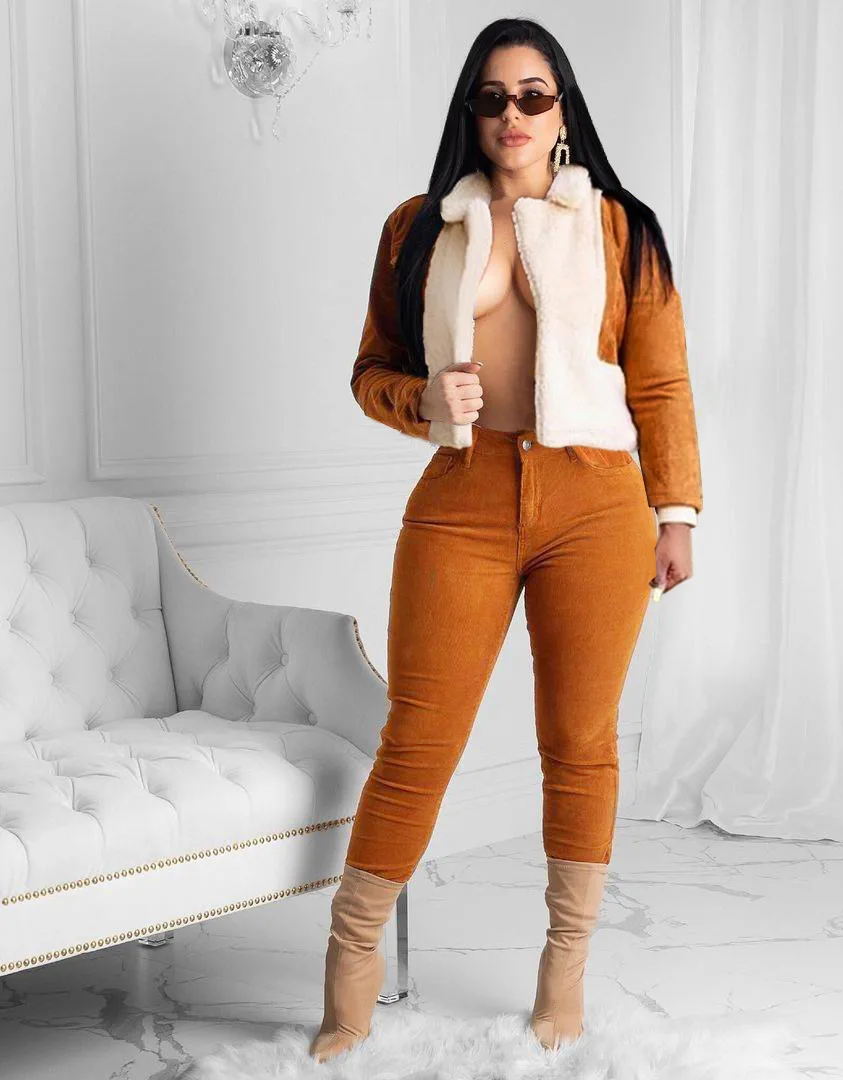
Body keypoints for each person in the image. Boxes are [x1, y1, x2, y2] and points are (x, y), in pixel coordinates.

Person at [309, 15, 703, 1064]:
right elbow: (370, 372)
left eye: (533, 95)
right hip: (465, 497)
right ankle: (349, 973)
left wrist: (676, 512)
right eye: (492, 97)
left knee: (580, 744)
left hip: (597, 502)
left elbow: (661, 382)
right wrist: (422, 399)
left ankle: (563, 974)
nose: (512, 114)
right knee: (418, 739)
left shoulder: (621, 227)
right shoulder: (418, 226)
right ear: (470, 112)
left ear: (562, 108)